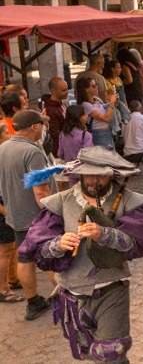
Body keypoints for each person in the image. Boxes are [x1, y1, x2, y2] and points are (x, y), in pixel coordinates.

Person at [19, 146, 143, 363]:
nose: (94, 180)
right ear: (80, 174)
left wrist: (105, 234)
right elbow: (36, 248)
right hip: (72, 292)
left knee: (111, 352)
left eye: (101, 176)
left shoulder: (127, 200)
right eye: (89, 174)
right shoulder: (62, 201)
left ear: (111, 175)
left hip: (111, 290)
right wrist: (58, 244)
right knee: (89, 353)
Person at [0, 110, 54, 320]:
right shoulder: (33, 152)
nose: (42, 129)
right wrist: (52, 212)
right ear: (34, 126)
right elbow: (40, 190)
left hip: (15, 215)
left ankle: (33, 301)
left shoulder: (3, 149)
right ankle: (67, 297)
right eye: (41, 124)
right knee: (50, 256)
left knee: (25, 258)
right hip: (36, 216)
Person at [0, 123, 22, 304]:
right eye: (6, 132)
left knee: (9, 248)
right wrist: (6, 211)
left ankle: (12, 281)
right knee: (5, 251)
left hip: (6, 207)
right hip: (3, 210)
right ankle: (3, 289)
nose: (9, 134)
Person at [76, 76, 117, 149]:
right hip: (99, 134)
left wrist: (113, 99)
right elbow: (106, 118)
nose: (97, 87)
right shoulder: (86, 105)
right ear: (86, 90)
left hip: (107, 131)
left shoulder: (96, 99)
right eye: (93, 86)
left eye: (96, 85)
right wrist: (112, 103)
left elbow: (106, 107)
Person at [43, 77, 68, 157]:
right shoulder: (50, 110)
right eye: (63, 90)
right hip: (59, 149)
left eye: (67, 89)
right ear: (53, 91)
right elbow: (55, 134)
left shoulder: (61, 103)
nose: (67, 92)